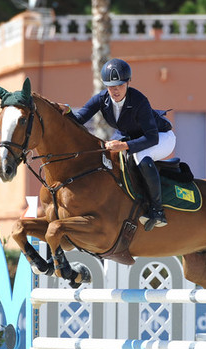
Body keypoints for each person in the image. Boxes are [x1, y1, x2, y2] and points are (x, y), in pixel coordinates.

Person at [58, 58, 174, 230]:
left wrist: (125, 146)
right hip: (133, 137)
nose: (115, 90)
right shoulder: (101, 99)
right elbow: (80, 119)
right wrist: (67, 111)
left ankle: (157, 211)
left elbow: (152, 138)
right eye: (111, 86)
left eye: (119, 85)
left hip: (162, 137)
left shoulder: (139, 101)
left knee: (141, 156)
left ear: (128, 82)